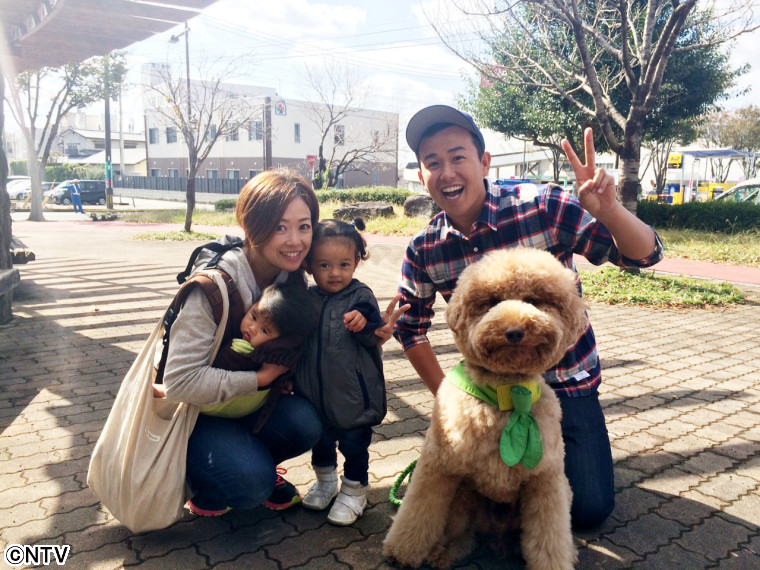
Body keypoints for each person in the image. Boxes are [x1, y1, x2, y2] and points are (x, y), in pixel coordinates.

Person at [393, 104, 664, 529]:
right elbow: (410, 329)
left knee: (588, 509)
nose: (447, 173)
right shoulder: (425, 248)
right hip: (487, 389)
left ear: (484, 162)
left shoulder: (541, 205)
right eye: (433, 163)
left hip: (565, 382)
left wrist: (609, 210)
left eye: (457, 157)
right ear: (423, 174)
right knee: (478, 495)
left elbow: (643, 255)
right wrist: (449, 396)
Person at [161, 169, 323, 517]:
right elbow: (179, 382)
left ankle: (244, 458)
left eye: (304, 226)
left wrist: (368, 333)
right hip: (196, 416)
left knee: (307, 423)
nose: (295, 241)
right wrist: (259, 380)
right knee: (251, 484)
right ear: (252, 227)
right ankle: (207, 481)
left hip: (244, 407)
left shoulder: (291, 279)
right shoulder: (213, 288)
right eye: (280, 227)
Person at [294, 218, 388, 526]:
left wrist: (365, 325)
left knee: (354, 445)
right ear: (309, 265)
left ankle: (354, 491)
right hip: (313, 396)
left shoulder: (361, 297)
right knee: (320, 442)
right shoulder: (307, 298)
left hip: (352, 397)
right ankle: (325, 483)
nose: (335, 273)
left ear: (356, 262)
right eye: (324, 265)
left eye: (344, 264)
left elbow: (373, 334)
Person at [198, 281, 320, 422]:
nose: (252, 328)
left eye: (265, 330)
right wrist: (263, 378)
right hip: (207, 412)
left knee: (306, 422)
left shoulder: (276, 355)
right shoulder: (237, 350)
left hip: (244, 410)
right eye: (254, 317)